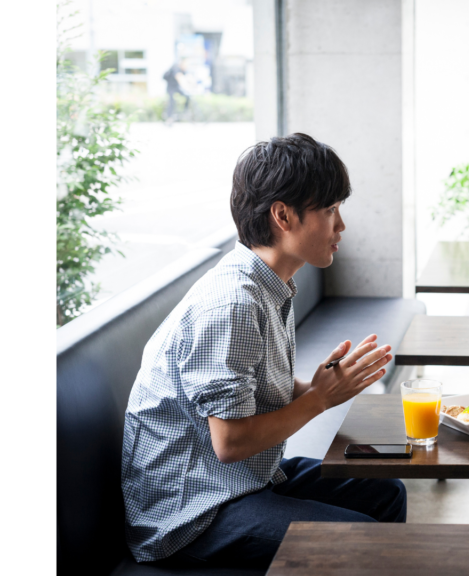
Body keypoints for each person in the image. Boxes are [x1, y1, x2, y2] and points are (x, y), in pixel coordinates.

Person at [121, 133, 407, 569]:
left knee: (385, 491)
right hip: (192, 511)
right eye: (330, 210)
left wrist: (316, 386)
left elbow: (248, 387)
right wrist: (318, 400)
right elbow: (231, 442)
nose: (341, 226)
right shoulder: (233, 303)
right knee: (359, 540)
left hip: (241, 480)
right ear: (283, 216)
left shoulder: (269, 285)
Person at [163, 57, 190, 122]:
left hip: (176, 87)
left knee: (187, 96)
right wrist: (186, 87)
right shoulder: (176, 67)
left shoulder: (183, 70)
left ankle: (185, 112)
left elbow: (189, 77)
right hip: (170, 87)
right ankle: (169, 118)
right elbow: (179, 78)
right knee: (172, 100)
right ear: (182, 63)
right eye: (186, 64)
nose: (187, 66)